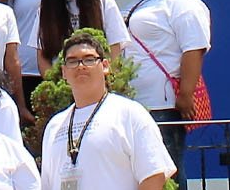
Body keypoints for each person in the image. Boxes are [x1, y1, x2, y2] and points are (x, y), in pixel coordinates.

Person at [125, 0, 211, 186]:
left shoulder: (183, 3)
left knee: (167, 171)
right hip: (137, 103)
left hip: (164, 104)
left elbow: (194, 49)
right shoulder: (138, 4)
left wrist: (185, 94)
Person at [40, 33, 174, 190]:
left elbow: (153, 176)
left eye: (89, 59)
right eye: (72, 61)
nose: (81, 66)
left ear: (105, 66)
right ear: (64, 72)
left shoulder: (130, 114)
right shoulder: (54, 126)